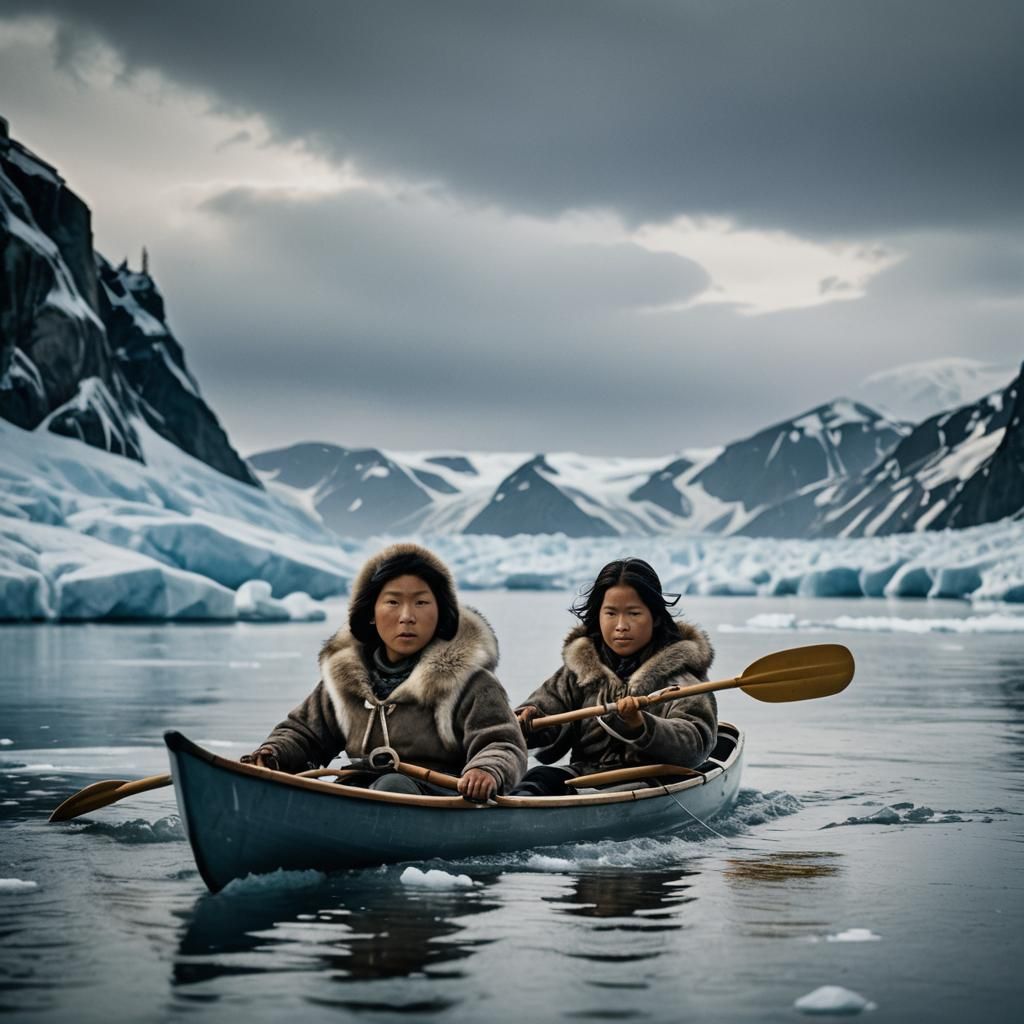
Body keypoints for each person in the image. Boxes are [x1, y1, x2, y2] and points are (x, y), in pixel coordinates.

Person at [241, 543, 526, 801]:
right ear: (371, 612)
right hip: (365, 789)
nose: (407, 616)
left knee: (391, 785)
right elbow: (305, 733)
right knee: (343, 790)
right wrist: (273, 753)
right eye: (392, 602)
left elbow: (501, 742)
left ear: (441, 611)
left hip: (443, 796)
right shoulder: (346, 680)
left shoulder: (471, 682)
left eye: (421, 602)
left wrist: (486, 771)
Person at [512, 558, 717, 796]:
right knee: (538, 778)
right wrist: (527, 720)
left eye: (633, 613)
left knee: (602, 792)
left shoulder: (682, 680)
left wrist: (641, 726)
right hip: (584, 775)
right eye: (610, 613)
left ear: (656, 618)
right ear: (598, 616)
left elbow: (695, 744)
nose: (621, 625)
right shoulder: (580, 671)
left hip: (651, 782)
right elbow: (547, 706)